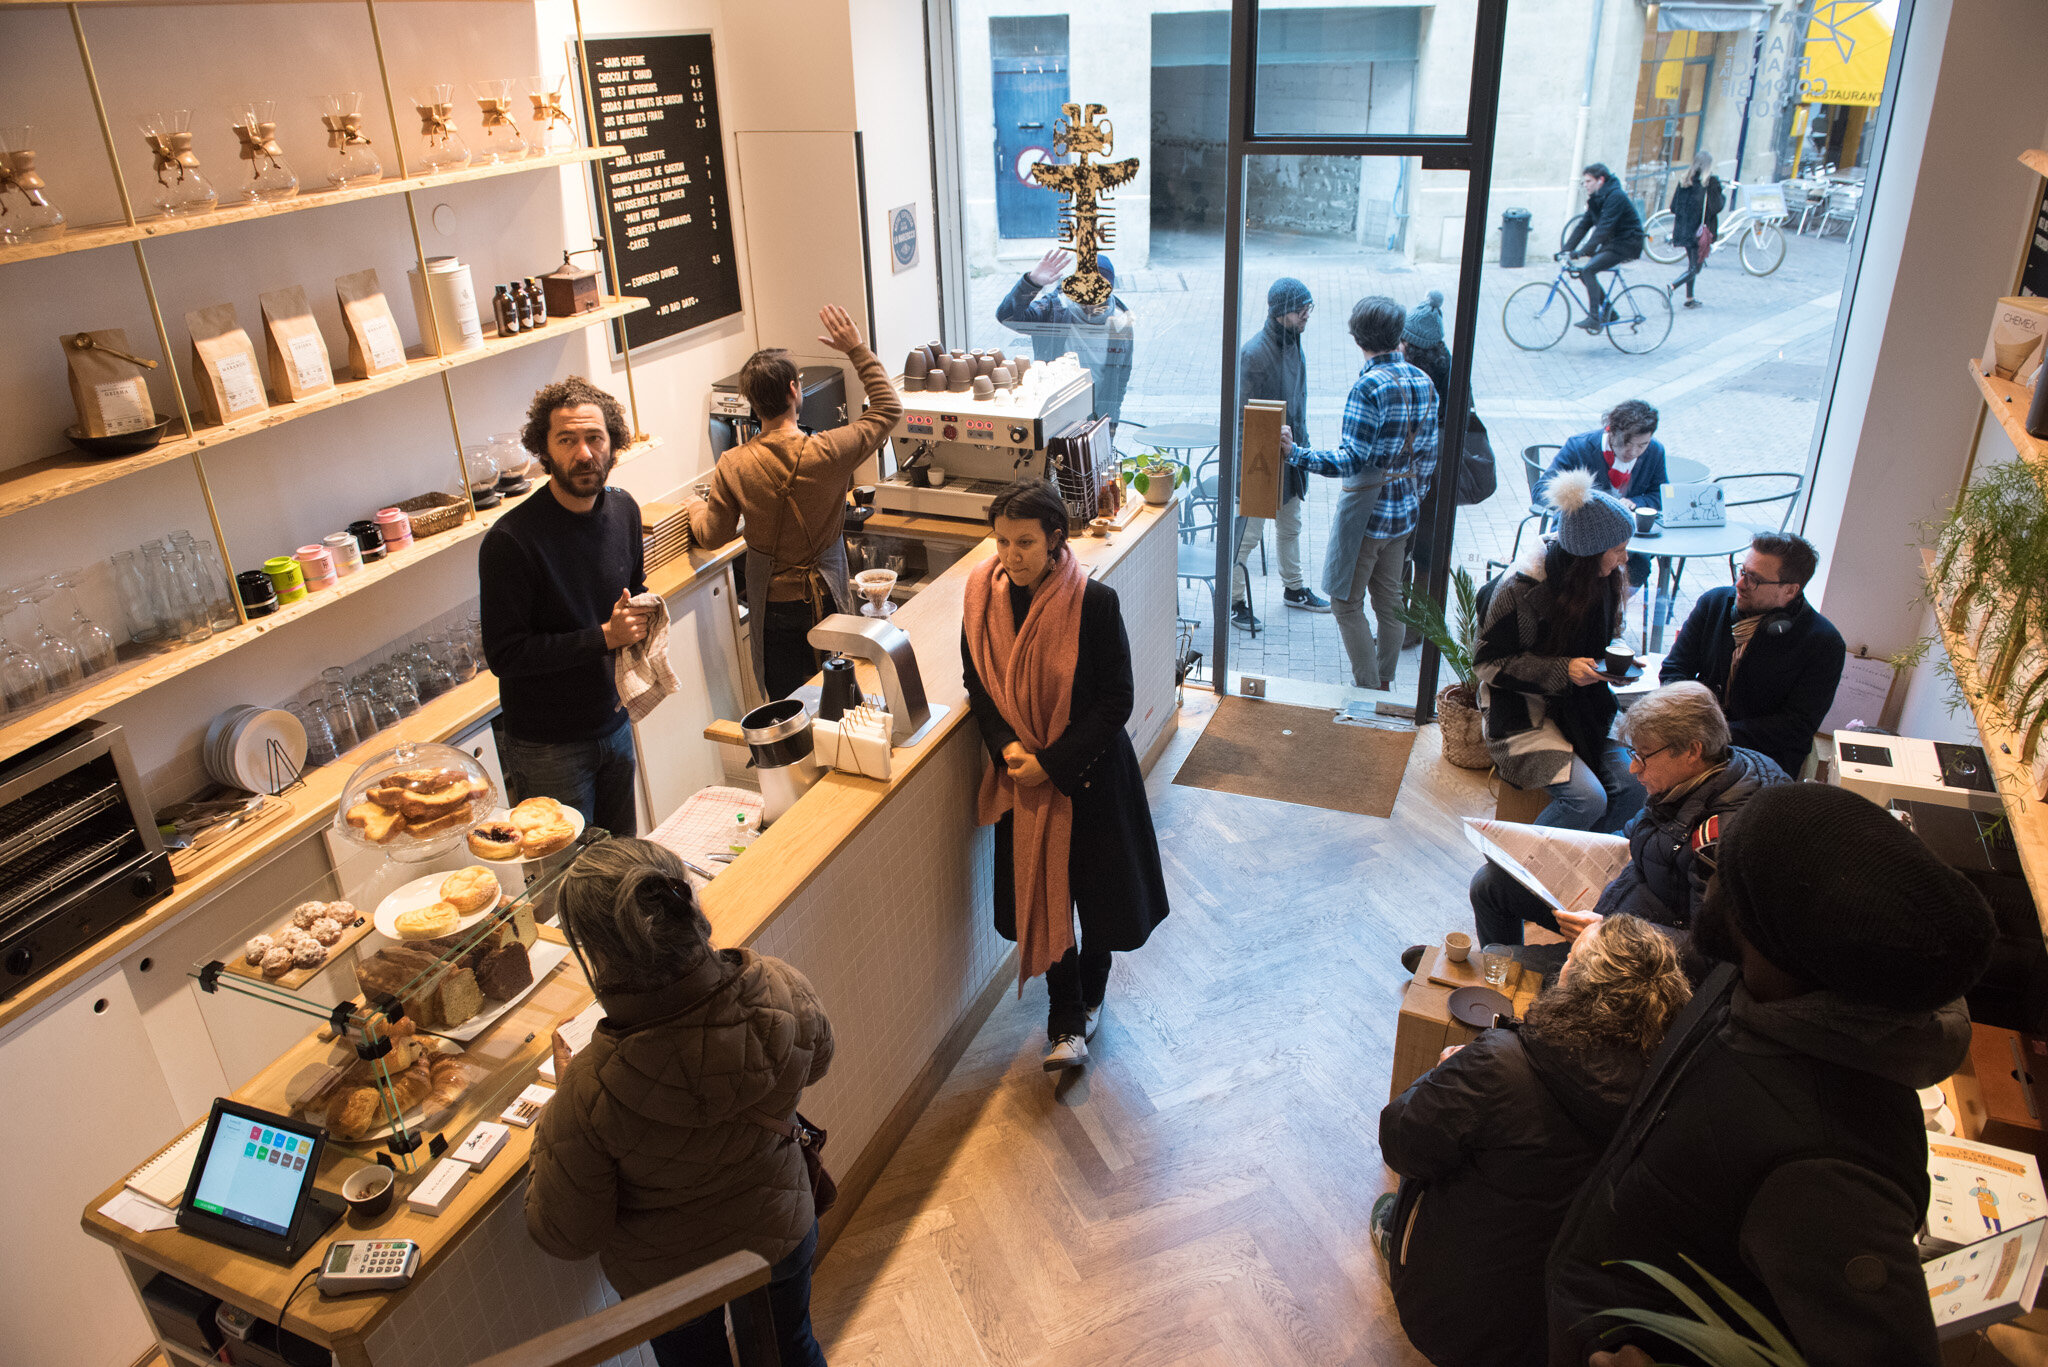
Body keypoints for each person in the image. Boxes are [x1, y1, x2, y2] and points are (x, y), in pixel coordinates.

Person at [1548, 782, 1997, 1367]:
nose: (1709, 887)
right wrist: (1621, 941)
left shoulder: (1826, 1172)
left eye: (1729, 878)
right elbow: (1705, 956)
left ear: (1774, 933)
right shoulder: (1778, 982)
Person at [526, 838, 835, 1367]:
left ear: (596, 952)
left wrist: (559, 1102)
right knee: (794, 1348)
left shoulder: (588, 1087)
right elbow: (820, 1060)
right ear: (684, 904)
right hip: (779, 1226)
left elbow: (567, 1234)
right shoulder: (780, 987)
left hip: (668, 1278)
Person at [1376, 915, 1692, 1367]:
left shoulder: (1502, 1067)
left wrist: (1449, 1072)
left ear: (1575, 987)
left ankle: (1397, 1240)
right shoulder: (1666, 1094)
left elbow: (1400, 1139)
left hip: (1454, 1318)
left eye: (1569, 959)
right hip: (1561, 1330)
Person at [961, 478, 1169, 1072]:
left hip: (1091, 776)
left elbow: (1116, 700)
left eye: (1024, 542)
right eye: (1001, 541)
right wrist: (1008, 753)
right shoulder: (982, 601)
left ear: (1056, 538)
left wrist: (1049, 764)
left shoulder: (1095, 605)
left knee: (1096, 898)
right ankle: (1065, 1020)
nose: (1010, 556)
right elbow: (980, 687)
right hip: (1025, 780)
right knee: (1045, 896)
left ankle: (1092, 994)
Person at [1462, 681, 1788, 963]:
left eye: (1643, 756)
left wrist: (1609, 934)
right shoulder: (1706, 772)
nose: (1634, 769)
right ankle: (1482, 969)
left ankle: (1479, 971)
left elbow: (1709, 953)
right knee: (1492, 882)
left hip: (1636, 954)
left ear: (1692, 751)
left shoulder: (1722, 839)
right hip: (1621, 907)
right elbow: (1633, 833)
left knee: (1504, 963)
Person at [688, 305, 902, 700]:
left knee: (790, 706)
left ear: (751, 402)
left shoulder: (733, 463)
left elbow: (712, 534)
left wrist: (693, 508)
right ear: (793, 389)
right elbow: (889, 407)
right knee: (839, 699)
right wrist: (856, 349)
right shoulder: (830, 450)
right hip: (825, 601)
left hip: (772, 611)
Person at [480, 376, 651, 836]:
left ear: (612, 443)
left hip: (615, 720)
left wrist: (641, 625)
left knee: (623, 863)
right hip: (548, 746)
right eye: (567, 440)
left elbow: (634, 595)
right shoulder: (511, 541)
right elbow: (506, 655)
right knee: (570, 884)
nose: (584, 453)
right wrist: (603, 638)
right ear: (544, 450)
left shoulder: (625, 512)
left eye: (595, 438)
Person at [1281, 296, 1440, 690]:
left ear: (1356, 337)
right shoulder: (1423, 380)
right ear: (1399, 334)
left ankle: (1368, 686)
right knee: (1390, 605)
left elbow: (1351, 460)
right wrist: (1412, 494)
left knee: (1345, 603)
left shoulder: (1368, 387)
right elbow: (1429, 455)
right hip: (1403, 513)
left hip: (1367, 515)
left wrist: (1295, 454)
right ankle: (1384, 683)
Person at [1474, 469, 1640, 831]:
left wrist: (1613, 668)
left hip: (1586, 710)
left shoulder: (1601, 580)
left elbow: (1603, 640)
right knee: (1587, 798)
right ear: (1589, 554)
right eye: (1618, 549)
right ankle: (1518, 873)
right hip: (1520, 712)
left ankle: (1581, 860)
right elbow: (1487, 664)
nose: (1625, 558)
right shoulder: (1521, 588)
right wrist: (1564, 671)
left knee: (1635, 785)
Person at [1659, 530, 1845, 778]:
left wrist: (1714, 734)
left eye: (1754, 579)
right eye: (1742, 571)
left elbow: (1796, 726)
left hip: (1761, 762)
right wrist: (1692, 724)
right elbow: (1674, 671)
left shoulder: (1825, 643)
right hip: (1696, 740)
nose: (1740, 584)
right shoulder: (1713, 603)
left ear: (1790, 590)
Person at [1230, 277, 1327, 633]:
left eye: (1308, 309)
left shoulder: (1294, 342)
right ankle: (1234, 601)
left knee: (1291, 526)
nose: (1306, 316)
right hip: (1259, 461)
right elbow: (1242, 418)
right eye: (1302, 310)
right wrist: (1245, 472)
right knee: (1248, 536)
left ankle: (1294, 588)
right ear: (1282, 312)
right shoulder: (1254, 353)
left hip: (1290, 453)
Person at [1540, 400, 1668, 593]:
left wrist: (1636, 503)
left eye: (1642, 445)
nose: (1633, 452)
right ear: (1611, 431)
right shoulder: (1579, 447)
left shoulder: (1655, 451)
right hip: (1579, 541)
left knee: (1639, 568)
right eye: (1626, 442)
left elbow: (1659, 495)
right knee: (1579, 571)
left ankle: (1615, 609)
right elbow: (1542, 490)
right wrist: (1586, 503)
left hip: (1626, 542)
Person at [995, 248, 1134, 424]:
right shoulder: (1055, 308)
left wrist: (1111, 421)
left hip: (1097, 416)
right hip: (1055, 412)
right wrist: (1031, 283)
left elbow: (1121, 378)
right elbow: (1007, 317)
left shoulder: (1121, 323)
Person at [1399, 289, 1478, 586]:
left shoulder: (1417, 376)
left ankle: (1403, 627)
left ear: (1413, 345)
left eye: (1403, 341)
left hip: (1421, 474)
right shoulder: (1452, 365)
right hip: (1443, 477)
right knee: (1430, 554)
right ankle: (1419, 627)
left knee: (1406, 550)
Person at [1561, 163, 1645, 335]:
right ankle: (1609, 312)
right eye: (1584, 182)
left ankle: (1595, 318)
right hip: (1613, 242)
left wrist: (1583, 251)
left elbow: (1603, 228)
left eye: (1588, 181)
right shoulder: (1596, 198)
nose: (1585, 185)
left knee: (1589, 270)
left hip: (1628, 243)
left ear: (1601, 180)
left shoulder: (1615, 197)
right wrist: (1565, 250)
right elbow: (1583, 226)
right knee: (1584, 271)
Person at [1667, 151, 1724, 308]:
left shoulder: (1684, 180)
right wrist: (1721, 193)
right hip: (1699, 233)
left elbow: (1673, 207)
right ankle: (1672, 287)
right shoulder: (1710, 182)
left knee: (1692, 265)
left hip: (1683, 230)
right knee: (1695, 268)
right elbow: (1717, 207)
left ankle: (1690, 299)